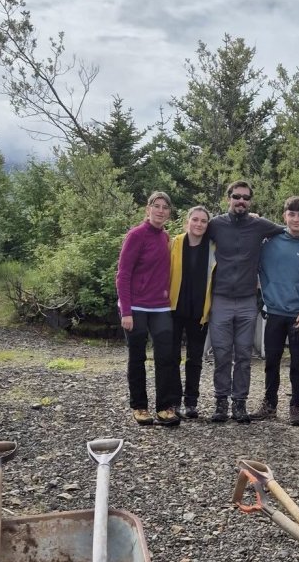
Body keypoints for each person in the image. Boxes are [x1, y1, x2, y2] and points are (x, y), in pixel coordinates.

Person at [206, 181, 283, 423]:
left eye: (245, 198)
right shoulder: (215, 224)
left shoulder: (259, 225)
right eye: (236, 196)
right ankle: (220, 403)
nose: (241, 201)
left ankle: (239, 403)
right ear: (228, 198)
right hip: (220, 299)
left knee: (243, 354)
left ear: (250, 201)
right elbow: (193, 236)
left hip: (248, 300)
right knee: (221, 353)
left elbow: (289, 230)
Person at [254, 196, 299, 425]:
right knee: (271, 361)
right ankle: (269, 404)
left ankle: (295, 407)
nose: (296, 219)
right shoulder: (270, 242)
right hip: (274, 311)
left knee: (297, 364)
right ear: (284, 215)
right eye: (292, 214)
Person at [115, 191, 180, 426]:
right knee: (137, 357)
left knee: (165, 357)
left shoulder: (166, 237)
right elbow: (123, 275)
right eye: (157, 206)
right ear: (148, 209)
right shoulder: (136, 235)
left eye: (165, 207)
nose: (161, 211)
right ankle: (140, 407)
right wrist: (126, 311)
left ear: (169, 213)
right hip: (136, 307)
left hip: (160, 307)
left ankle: (164, 407)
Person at [169, 205, 215, 419]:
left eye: (203, 221)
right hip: (174, 308)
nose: (198, 224)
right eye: (194, 219)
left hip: (200, 310)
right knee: (172, 357)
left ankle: (191, 403)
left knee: (195, 359)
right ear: (187, 222)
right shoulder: (175, 243)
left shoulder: (213, 248)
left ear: (207, 225)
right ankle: (174, 401)